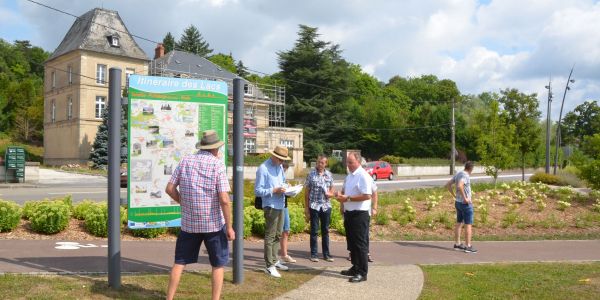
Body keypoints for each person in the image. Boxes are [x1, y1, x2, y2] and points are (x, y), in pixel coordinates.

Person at [165, 130, 235, 300]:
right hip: (214, 224)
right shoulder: (217, 165)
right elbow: (224, 199)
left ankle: (169, 298)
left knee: (180, 262)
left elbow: (169, 189)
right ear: (214, 149)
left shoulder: (186, 161)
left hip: (189, 224)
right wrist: (230, 227)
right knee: (218, 264)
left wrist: (184, 202)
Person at [335, 152, 373, 283]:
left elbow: (368, 195)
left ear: (358, 162)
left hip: (360, 214)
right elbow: (345, 192)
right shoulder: (350, 176)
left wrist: (348, 198)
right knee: (352, 243)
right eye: (347, 162)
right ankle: (355, 267)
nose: (348, 165)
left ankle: (363, 273)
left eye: (351, 162)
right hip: (350, 213)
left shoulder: (363, 176)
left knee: (360, 244)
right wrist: (340, 199)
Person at [255, 145, 292, 278]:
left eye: (284, 160)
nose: (283, 162)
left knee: (278, 234)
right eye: (281, 159)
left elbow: (282, 182)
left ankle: (275, 261)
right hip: (270, 205)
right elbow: (257, 191)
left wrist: (288, 188)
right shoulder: (263, 168)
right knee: (270, 236)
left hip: (281, 203)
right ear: (274, 156)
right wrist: (273, 190)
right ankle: (269, 265)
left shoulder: (280, 167)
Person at [304, 155, 335, 262]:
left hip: (326, 206)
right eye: (318, 162)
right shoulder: (311, 174)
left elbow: (331, 191)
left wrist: (330, 194)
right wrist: (306, 208)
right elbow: (307, 192)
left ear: (326, 164)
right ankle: (314, 254)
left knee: (325, 231)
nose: (320, 164)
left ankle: (326, 254)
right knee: (314, 231)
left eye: (322, 163)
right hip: (314, 206)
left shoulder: (329, 175)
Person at [445, 161, 477, 253]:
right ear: (471, 169)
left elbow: (448, 184)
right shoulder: (465, 175)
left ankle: (457, 244)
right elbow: (459, 185)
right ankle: (468, 246)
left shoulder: (458, 173)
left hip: (458, 203)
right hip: (465, 204)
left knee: (459, 223)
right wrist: (465, 198)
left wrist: (454, 195)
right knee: (468, 224)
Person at [279, 162, 296, 263]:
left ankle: (284, 255)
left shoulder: (282, 177)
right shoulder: (275, 174)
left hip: (284, 205)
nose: (284, 171)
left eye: (285, 170)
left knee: (286, 230)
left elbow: (284, 192)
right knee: (277, 232)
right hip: (277, 206)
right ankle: (273, 257)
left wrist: (290, 189)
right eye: (284, 169)